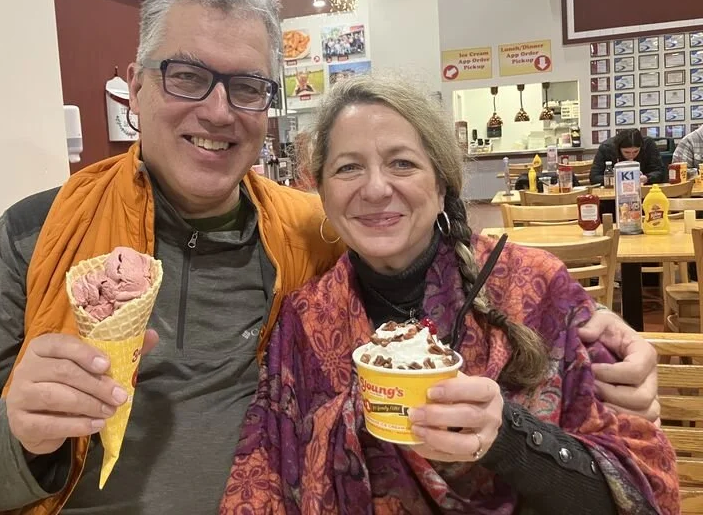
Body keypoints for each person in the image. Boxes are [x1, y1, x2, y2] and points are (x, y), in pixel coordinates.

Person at [0, 0, 658, 514]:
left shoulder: (308, 235)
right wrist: (15, 432)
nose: (218, 111)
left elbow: (446, 272)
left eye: (247, 86)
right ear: (135, 86)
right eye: (186, 75)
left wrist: (600, 334)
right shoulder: (37, 235)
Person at [222, 76, 678, 515]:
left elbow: (637, 489)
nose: (376, 189)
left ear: (441, 185)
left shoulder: (534, 289)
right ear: (321, 191)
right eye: (348, 167)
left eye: (403, 163)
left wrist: (506, 437)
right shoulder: (306, 320)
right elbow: (263, 483)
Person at [590, 128, 663, 185]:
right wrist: (616, 179)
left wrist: (646, 178)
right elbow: (594, 178)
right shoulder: (607, 148)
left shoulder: (648, 145)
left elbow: (660, 172)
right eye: (626, 152)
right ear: (618, 148)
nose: (631, 156)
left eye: (636, 151)